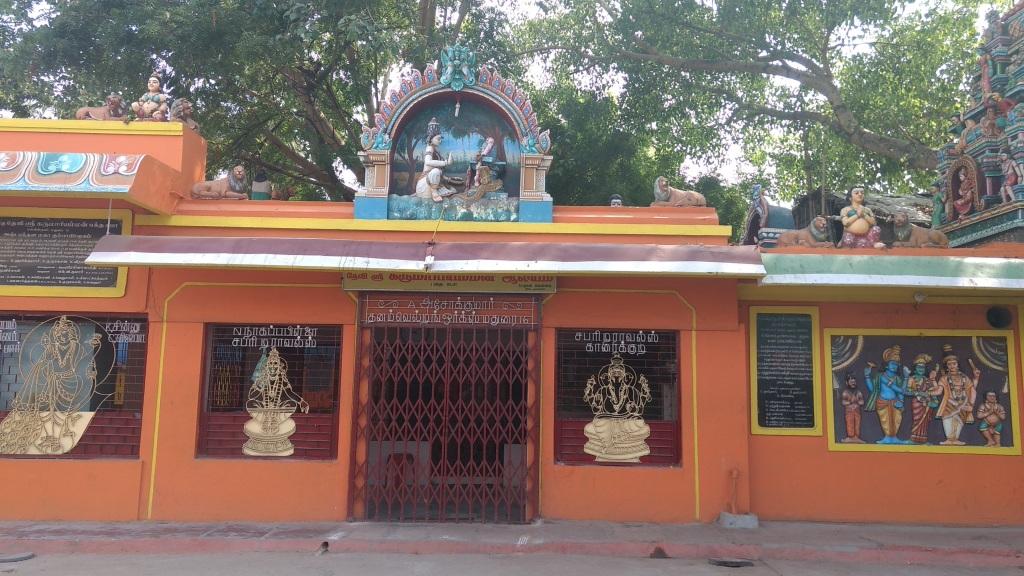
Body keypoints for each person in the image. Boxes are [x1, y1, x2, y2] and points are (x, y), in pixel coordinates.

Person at [864, 346, 909, 444]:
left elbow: (902, 391)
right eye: (892, 363)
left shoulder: (897, 378)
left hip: (895, 402)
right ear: (886, 365)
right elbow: (873, 390)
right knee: (885, 422)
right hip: (882, 402)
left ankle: (895, 438)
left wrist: (906, 378)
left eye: (897, 365)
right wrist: (867, 376)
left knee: (896, 421)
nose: (895, 366)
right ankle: (887, 438)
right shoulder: (881, 376)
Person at [935, 345, 979, 446]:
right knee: (948, 422)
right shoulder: (944, 378)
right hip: (949, 405)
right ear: (946, 366)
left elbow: (972, 390)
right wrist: (931, 383)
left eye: (954, 363)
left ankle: (955, 440)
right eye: (949, 364)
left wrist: (976, 378)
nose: (952, 366)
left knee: (958, 424)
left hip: (963, 405)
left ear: (957, 364)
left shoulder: (964, 378)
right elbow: (938, 391)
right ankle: (949, 439)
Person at [414, 117, 456, 202]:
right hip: (425, 185)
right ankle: (434, 193)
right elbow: (428, 162)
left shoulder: (434, 150)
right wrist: (446, 162)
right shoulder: (429, 148)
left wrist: (448, 179)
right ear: (431, 139)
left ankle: (436, 190)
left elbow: (438, 173)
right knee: (436, 171)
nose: (440, 141)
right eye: (438, 139)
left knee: (453, 190)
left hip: (430, 183)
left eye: (440, 139)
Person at [905, 354, 942, 444]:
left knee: (925, 422)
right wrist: (917, 393)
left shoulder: (927, 380)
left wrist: (933, 379)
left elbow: (935, 390)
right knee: (916, 419)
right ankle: (913, 439)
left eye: (923, 368)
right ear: (915, 369)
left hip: (927, 404)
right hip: (917, 403)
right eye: (919, 367)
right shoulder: (912, 379)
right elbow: (907, 391)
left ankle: (923, 440)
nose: (921, 370)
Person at [839, 373, 865, 443]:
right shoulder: (845, 392)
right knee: (850, 423)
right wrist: (850, 402)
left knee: (857, 424)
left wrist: (858, 402)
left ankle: (856, 437)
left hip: (857, 411)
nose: (853, 383)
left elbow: (862, 401)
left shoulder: (858, 392)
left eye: (854, 382)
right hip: (849, 411)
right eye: (851, 382)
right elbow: (843, 402)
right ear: (847, 383)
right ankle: (850, 437)